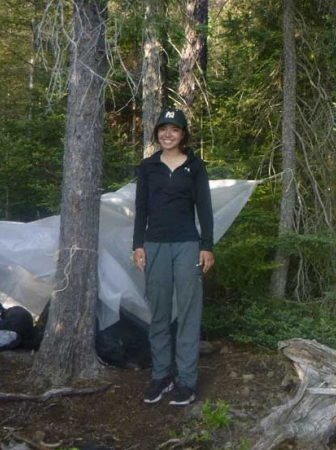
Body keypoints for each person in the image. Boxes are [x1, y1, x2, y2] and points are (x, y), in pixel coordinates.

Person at [132, 107, 214, 406]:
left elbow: (204, 208)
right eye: (163, 129)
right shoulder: (148, 166)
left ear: (183, 134)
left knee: (189, 313)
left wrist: (207, 246)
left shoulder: (195, 166)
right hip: (154, 244)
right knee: (159, 312)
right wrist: (138, 244)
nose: (168, 134)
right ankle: (161, 376)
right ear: (157, 133)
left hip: (187, 245)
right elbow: (141, 208)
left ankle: (187, 381)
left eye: (174, 129)